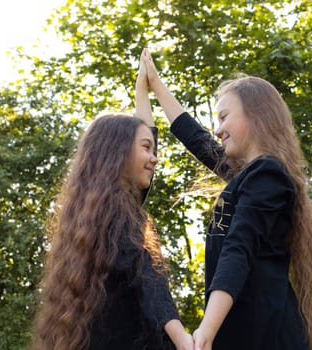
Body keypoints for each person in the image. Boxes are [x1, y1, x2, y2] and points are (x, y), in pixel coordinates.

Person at [140, 48, 312, 350]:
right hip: (249, 333)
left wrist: (206, 330)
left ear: (256, 116)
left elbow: (239, 249)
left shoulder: (268, 175)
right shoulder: (251, 176)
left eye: (223, 117)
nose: (217, 129)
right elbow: (197, 139)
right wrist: (154, 85)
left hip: (267, 335)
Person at [31, 55, 193, 350]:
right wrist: (181, 338)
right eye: (146, 148)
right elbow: (147, 274)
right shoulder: (118, 216)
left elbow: (143, 136)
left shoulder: (96, 214)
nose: (155, 157)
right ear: (118, 154)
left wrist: (144, 89)